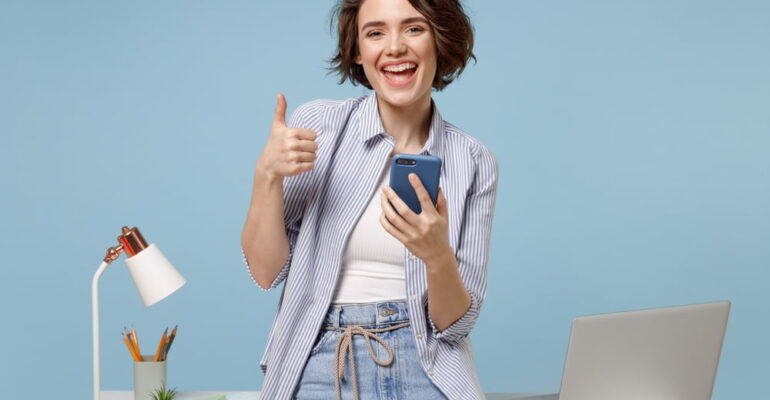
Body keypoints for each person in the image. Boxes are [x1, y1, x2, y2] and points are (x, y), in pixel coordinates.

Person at [240, 0, 498, 398]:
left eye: (414, 28)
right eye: (375, 32)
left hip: (426, 363)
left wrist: (436, 255)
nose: (394, 47)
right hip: (320, 356)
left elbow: (455, 325)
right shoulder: (319, 126)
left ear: (440, 40)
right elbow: (265, 272)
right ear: (359, 52)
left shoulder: (473, 161)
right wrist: (266, 176)